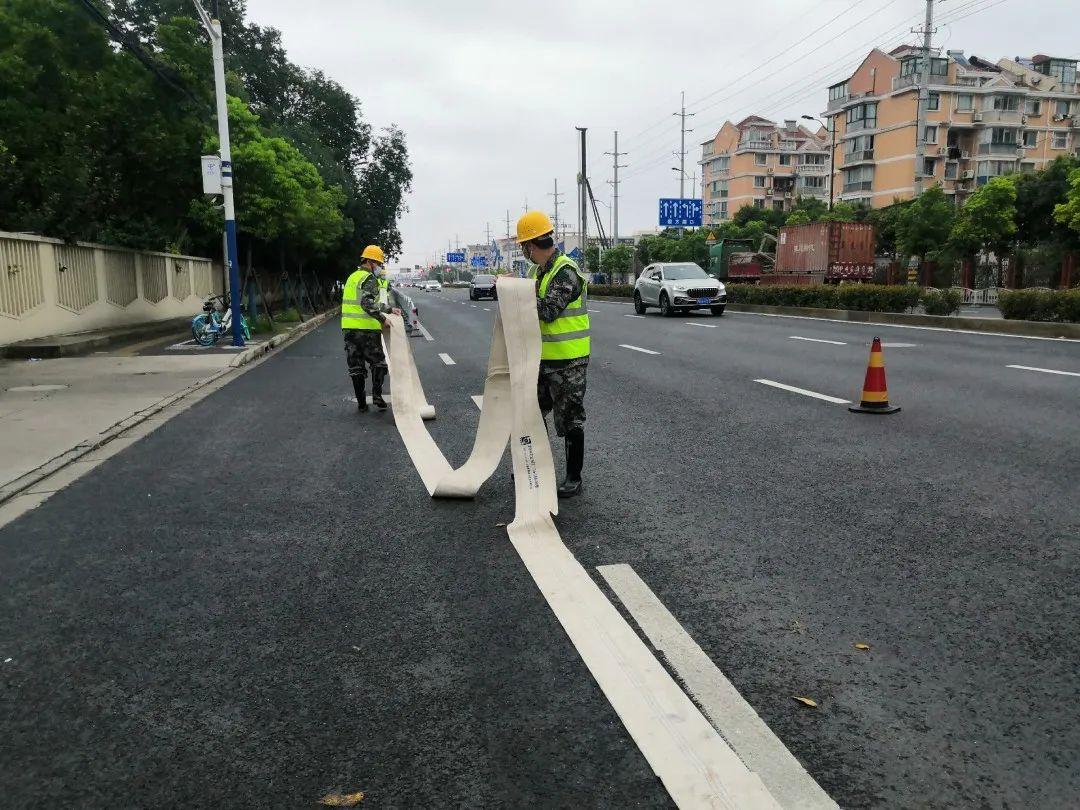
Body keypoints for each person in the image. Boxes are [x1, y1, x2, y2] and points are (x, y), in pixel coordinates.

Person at [516, 210, 589, 498]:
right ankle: (539, 467)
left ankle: (574, 478)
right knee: (533, 413)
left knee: (570, 418)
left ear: (531, 245)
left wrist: (517, 294)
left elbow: (547, 311)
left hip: (569, 361)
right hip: (543, 359)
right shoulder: (539, 271)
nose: (525, 253)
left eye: (524, 247)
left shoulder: (565, 271)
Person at [341, 245, 391, 413]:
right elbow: (367, 303)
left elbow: (365, 301)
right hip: (368, 330)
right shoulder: (369, 278)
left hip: (349, 330)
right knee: (378, 363)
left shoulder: (351, 278)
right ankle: (377, 396)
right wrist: (383, 318)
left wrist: (390, 309)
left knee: (356, 367)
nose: (379, 267)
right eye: (378, 263)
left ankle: (362, 403)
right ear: (369, 262)